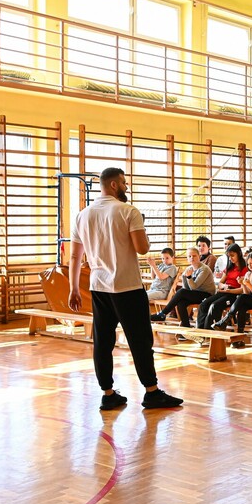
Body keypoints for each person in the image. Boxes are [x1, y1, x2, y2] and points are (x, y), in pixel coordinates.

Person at [68, 167, 182, 410]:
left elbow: (75, 257)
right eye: (123, 182)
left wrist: (73, 288)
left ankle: (108, 394)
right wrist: (144, 233)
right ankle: (151, 392)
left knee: (102, 342)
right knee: (140, 340)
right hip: (127, 287)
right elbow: (142, 248)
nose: (126, 186)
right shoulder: (128, 211)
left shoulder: (82, 216)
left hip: (99, 288)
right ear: (113, 185)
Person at [212, 252, 252, 348]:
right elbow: (246, 293)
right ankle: (239, 338)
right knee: (242, 307)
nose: (250, 266)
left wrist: (248, 284)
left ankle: (225, 320)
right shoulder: (249, 274)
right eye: (248, 264)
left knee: (242, 298)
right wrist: (243, 284)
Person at [195, 243, 246, 330]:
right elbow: (220, 283)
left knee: (214, 306)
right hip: (225, 291)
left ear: (239, 254)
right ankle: (200, 329)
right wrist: (224, 286)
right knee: (204, 304)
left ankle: (208, 330)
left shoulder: (244, 269)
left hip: (234, 294)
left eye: (232, 255)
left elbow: (242, 290)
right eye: (229, 256)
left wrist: (229, 290)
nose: (230, 258)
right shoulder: (229, 268)